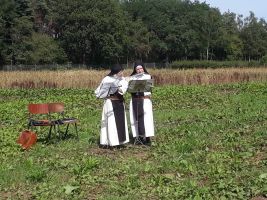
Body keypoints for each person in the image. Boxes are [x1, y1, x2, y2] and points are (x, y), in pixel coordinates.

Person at [95, 64, 129, 148]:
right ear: (116, 72)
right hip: (109, 102)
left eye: (122, 71)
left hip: (119, 102)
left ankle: (120, 142)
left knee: (120, 122)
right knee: (111, 122)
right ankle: (110, 142)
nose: (122, 73)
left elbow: (122, 91)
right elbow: (99, 91)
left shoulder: (123, 80)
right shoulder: (106, 79)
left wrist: (123, 83)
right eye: (121, 71)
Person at [129, 61, 155, 145]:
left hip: (145, 100)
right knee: (136, 119)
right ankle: (139, 137)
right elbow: (129, 90)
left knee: (147, 119)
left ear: (143, 68)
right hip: (135, 100)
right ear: (135, 70)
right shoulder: (132, 78)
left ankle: (147, 137)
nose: (139, 70)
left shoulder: (148, 76)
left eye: (141, 68)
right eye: (137, 69)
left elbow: (150, 89)